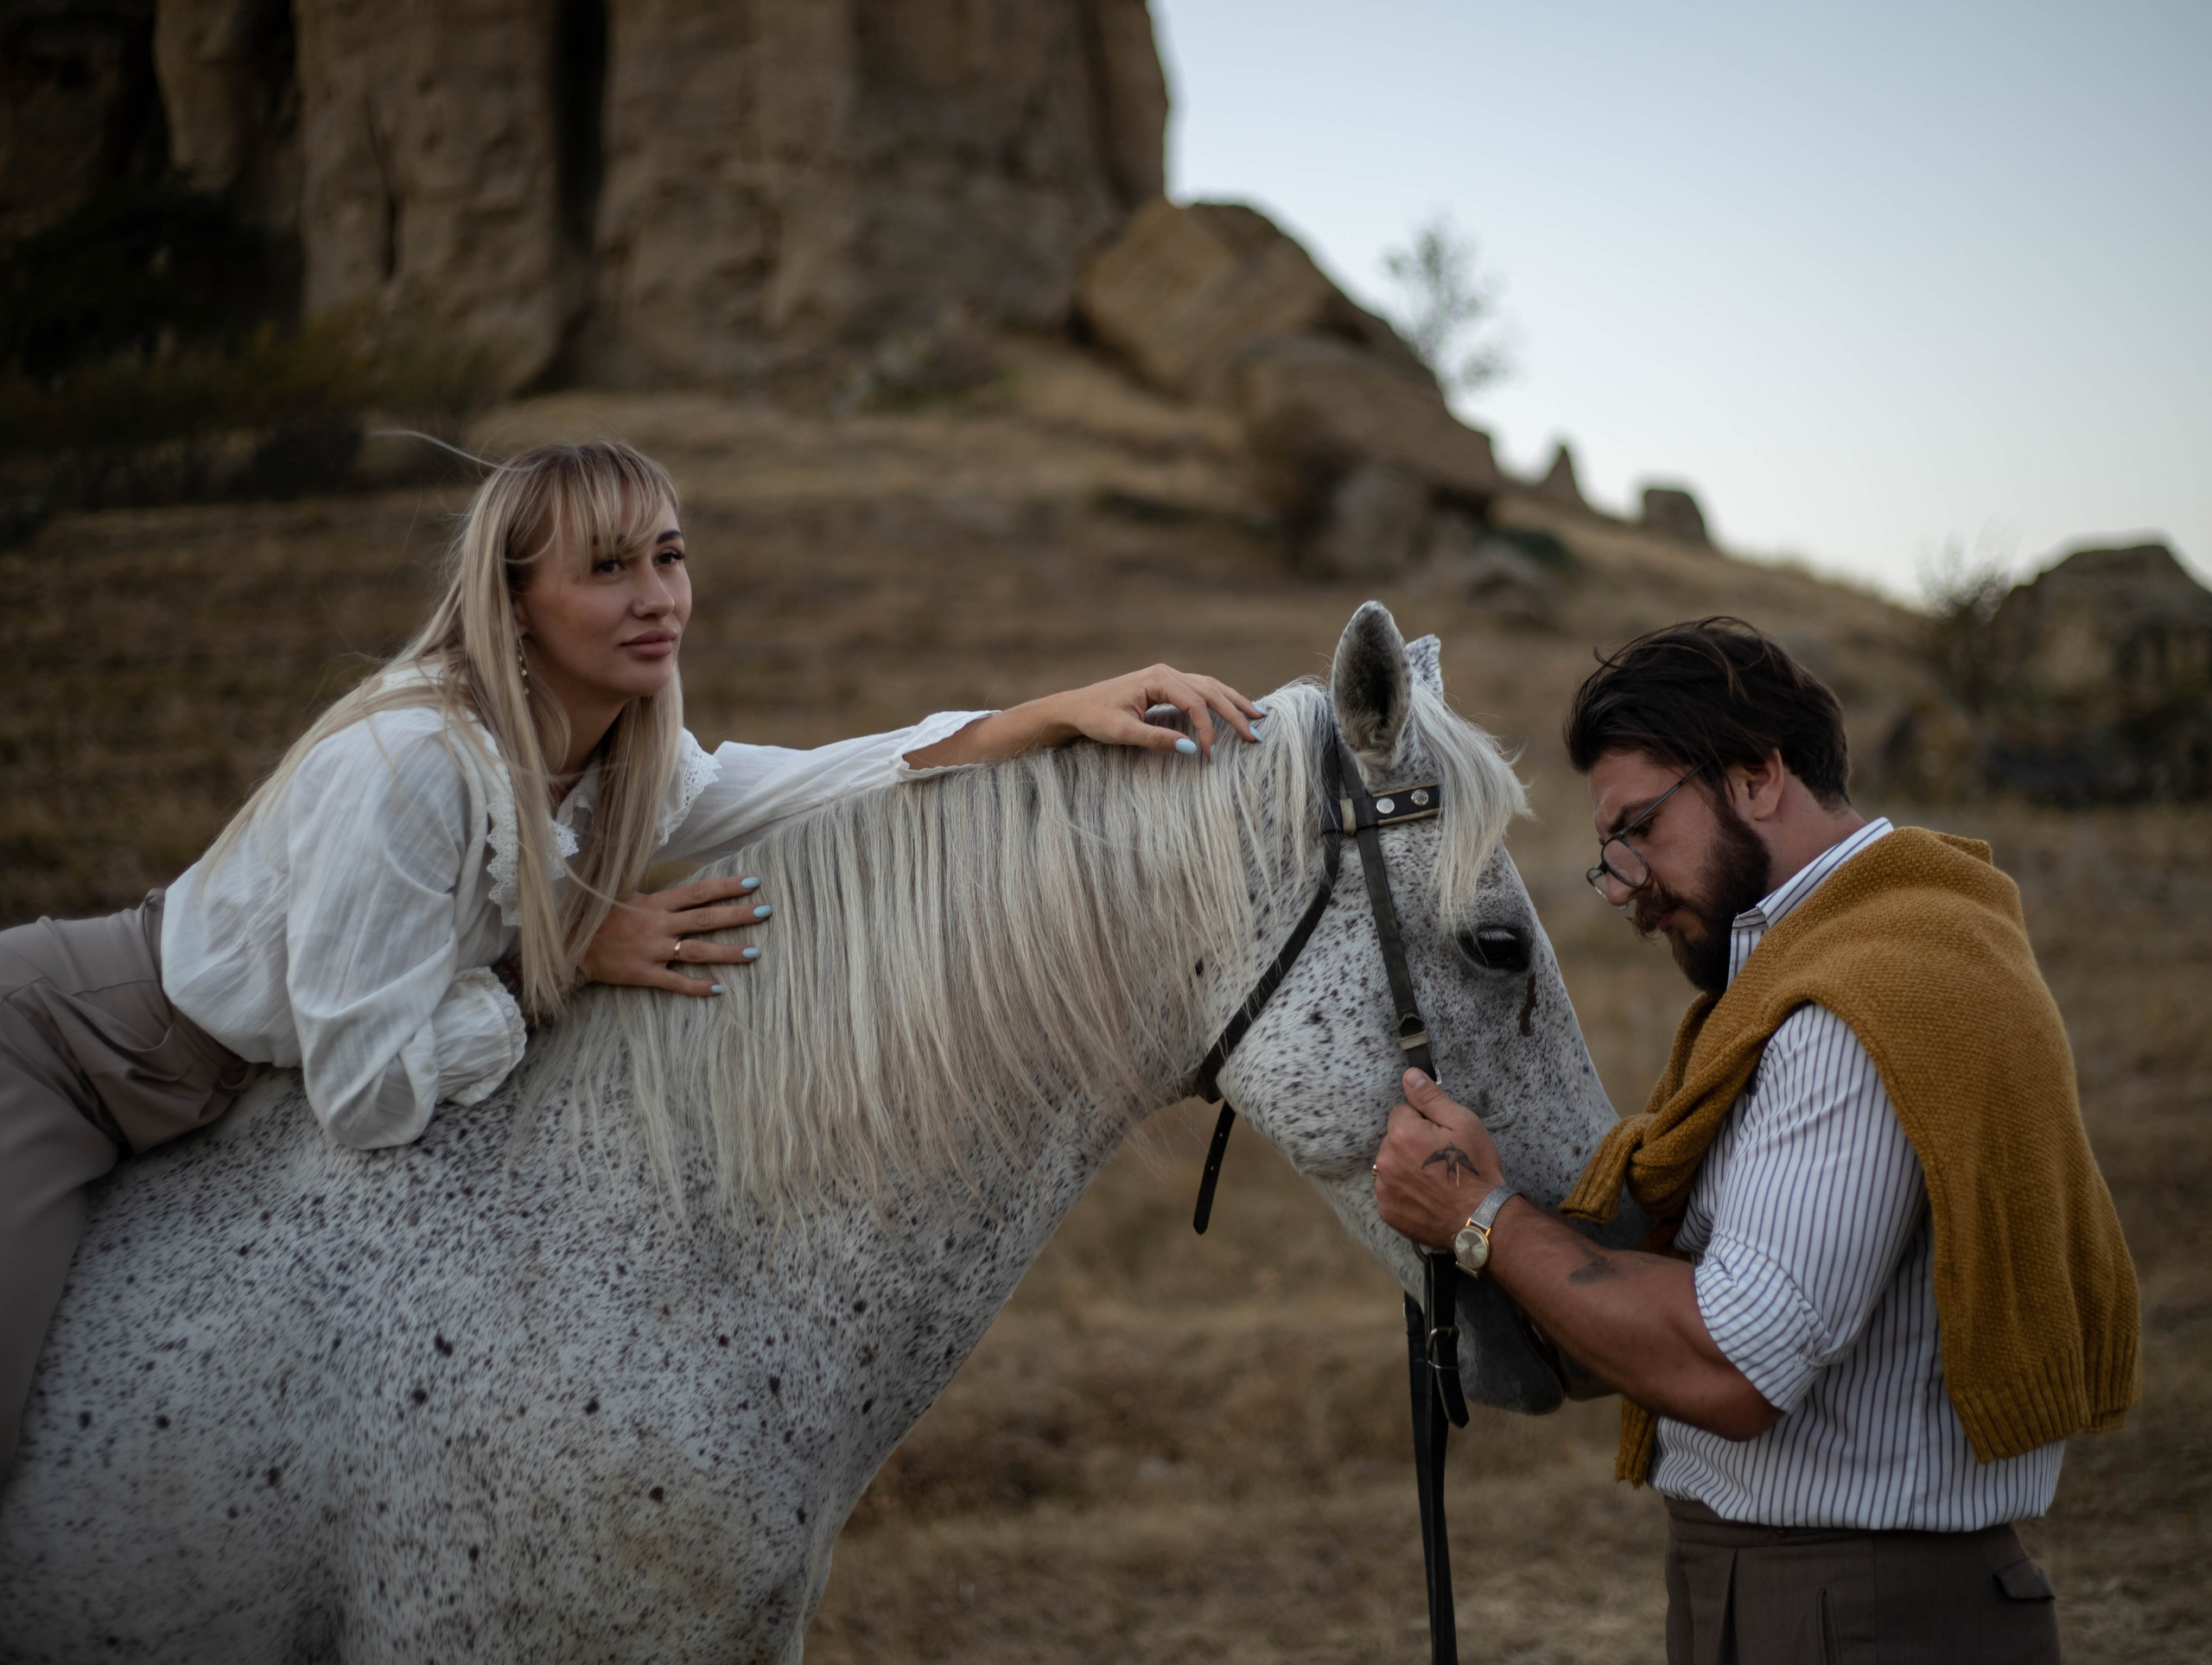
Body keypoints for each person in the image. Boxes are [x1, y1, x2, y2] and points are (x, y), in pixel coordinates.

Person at [0, 438, 1265, 1478]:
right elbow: (364, 1093)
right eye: (608, 567)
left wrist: (1055, 712)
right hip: (62, 1049)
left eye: (668, 555)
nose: (658, 597)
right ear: (514, 600)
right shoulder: (411, 767)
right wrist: (556, 967)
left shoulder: (619, 762)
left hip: (217, 1103)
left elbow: (818, 785)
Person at [1374, 617, 2139, 1665]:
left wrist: (1480, 1219)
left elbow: (1733, 1363)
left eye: (1640, 828)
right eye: (1611, 852)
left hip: (1852, 1608)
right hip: (1804, 1590)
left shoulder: (1859, 1002)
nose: (1626, 883)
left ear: (1757, 774)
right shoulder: (1845, 968)